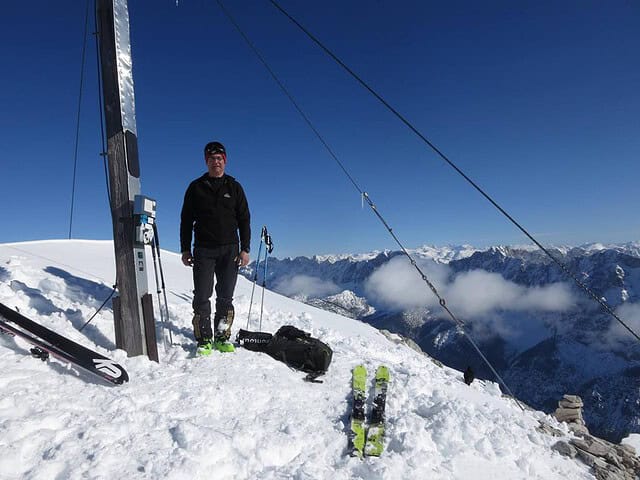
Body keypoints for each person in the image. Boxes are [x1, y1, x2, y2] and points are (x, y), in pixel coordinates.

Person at [180, 141, 251, 355]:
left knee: (225, 296)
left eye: (219, 158)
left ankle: (222, 336)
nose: (215, 162)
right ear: (206, 161)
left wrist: (245, 249)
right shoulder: (196, 187)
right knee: (202, 295)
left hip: (230, 250)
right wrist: (185, 249)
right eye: (211, 159)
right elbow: (186, 220)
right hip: (203, 249)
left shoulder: (234, 187)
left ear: (225, 160)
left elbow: (244, 220)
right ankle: (204, 339)